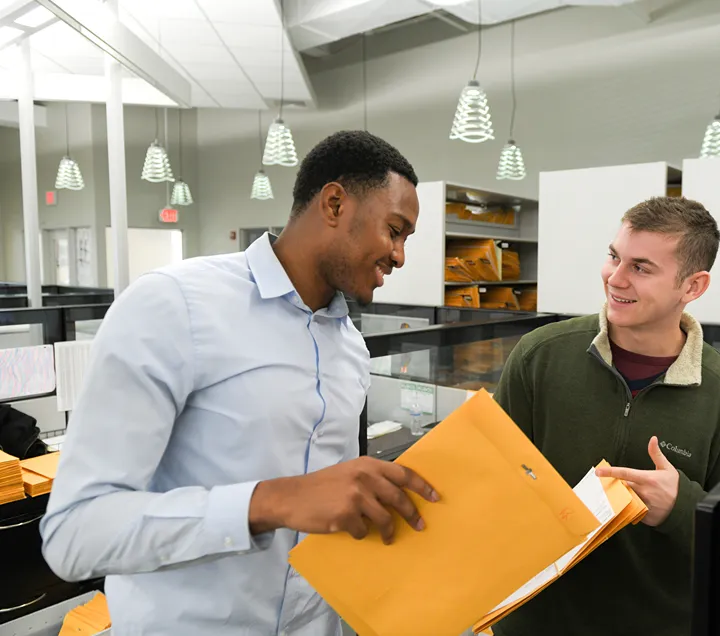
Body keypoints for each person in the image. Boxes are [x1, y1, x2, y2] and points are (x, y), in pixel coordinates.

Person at [40, 130, 440, 636]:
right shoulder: (173, 305)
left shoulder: (351, 351)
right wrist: (268, 502)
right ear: (335, 203)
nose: (400, 256)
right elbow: (74, 535)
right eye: (395, 230)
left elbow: (332, 515)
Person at [492, 196, 720, 636]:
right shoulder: (539, 355)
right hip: (530, 624)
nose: (614, 278)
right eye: (614, 256)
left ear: (693, 287)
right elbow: (490, 478)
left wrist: (681, 508)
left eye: (641, 267)